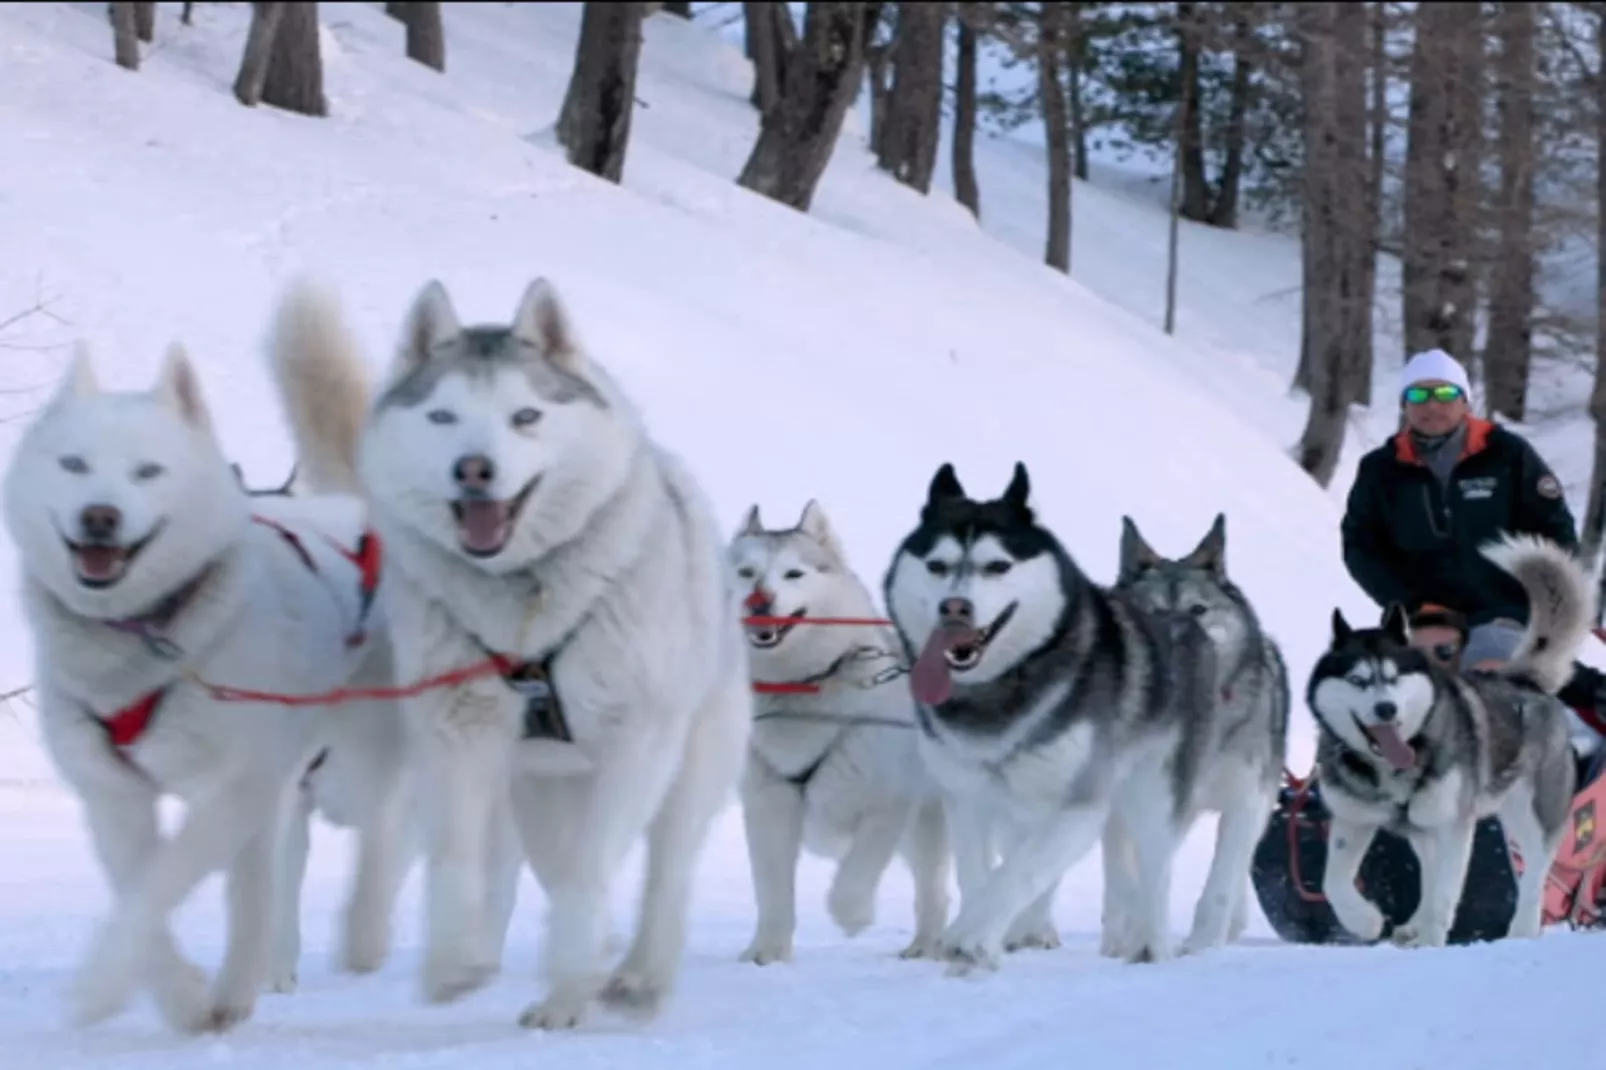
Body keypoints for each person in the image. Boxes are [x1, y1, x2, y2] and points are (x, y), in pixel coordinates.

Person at [1341, 347, 1606, 716]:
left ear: (1465, 401)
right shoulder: (1380, 469)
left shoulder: (1507, 454)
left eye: (1445, 393)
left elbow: (1555, 532)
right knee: (1392, 690)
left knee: (1490, 673)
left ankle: (1588, 699)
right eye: (1418, 394)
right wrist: (1409, 602)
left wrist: (1544, 605)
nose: (1432, 404)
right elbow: (1360, 547)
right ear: (1404, 404)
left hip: (1503, 608)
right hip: (1423, 615)